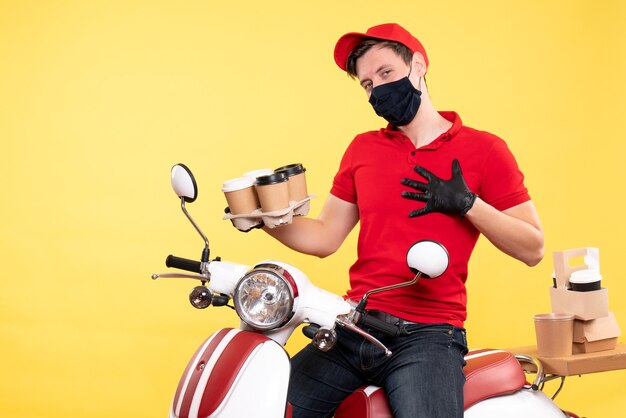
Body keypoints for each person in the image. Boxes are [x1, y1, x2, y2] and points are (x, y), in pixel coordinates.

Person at [260, 23, 544, 418]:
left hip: (429, 335)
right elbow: (325, 237)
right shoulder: (363, 149)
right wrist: (264, 220)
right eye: (367, 84)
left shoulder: (483, 149)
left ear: (419, 65)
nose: (377, 89)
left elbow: (533, 248)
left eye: (386, 74)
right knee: (266, 404)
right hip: (356, 325)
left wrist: (466, 203)